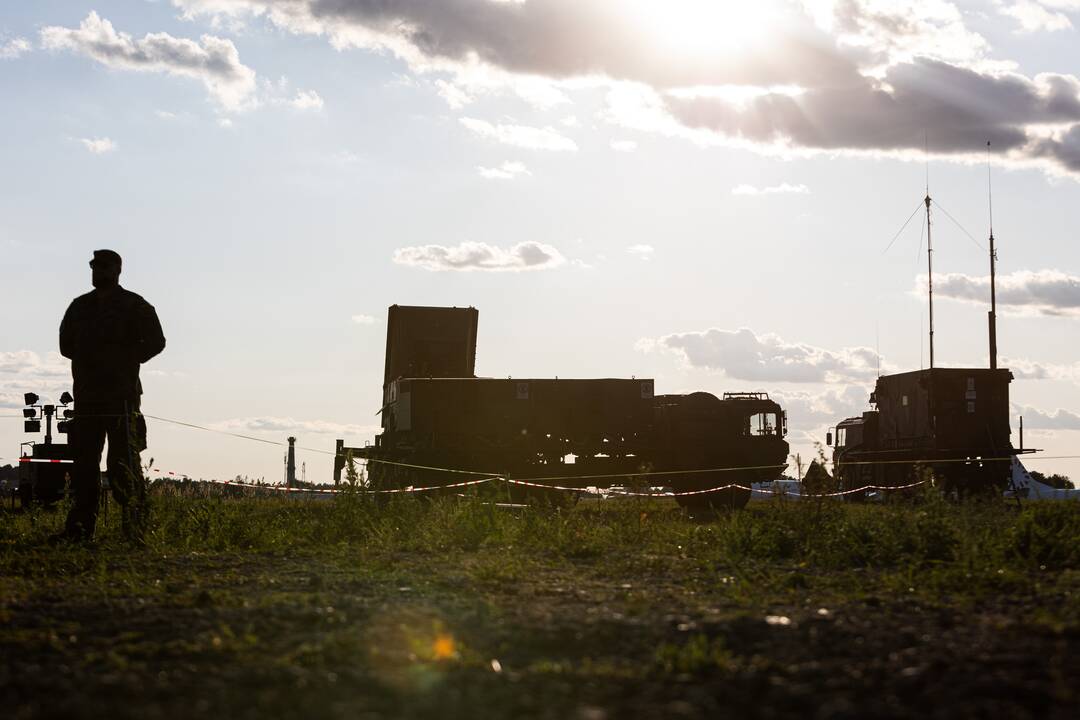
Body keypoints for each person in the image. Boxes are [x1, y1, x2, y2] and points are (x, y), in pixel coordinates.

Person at [56, 250, 166, 543]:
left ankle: (135, 530)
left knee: (123, 465)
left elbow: (156, 341)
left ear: (117, 270)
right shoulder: (80, 307)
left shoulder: (134, 305)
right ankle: (79, 530)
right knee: (84, 467)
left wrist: (126, 360)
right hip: (88, 398)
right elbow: (65, 345)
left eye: (103, 267)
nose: (97, 271)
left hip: (122, 397)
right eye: (94, 267)